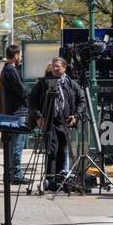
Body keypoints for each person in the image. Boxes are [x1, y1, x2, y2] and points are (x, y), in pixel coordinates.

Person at [27, 57, 86, 192]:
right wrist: (38, 116)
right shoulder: (43, 83)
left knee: (62, 151)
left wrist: (76, 116)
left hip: (65, 122)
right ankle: (50, 180)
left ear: (64, 68)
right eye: (53, 66)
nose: (54, 68)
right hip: (49, 121)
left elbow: (82, 99)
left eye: (57, 66)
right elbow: (31, 100)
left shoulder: (71, 84)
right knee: (51, 150)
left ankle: (61, 179)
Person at [0, 45, 29, 184]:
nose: (20, 57)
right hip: (17, 112)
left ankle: (10, 172)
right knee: (17, 145)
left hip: (9, 111)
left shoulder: (5, 69)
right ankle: (16, 174)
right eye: (20, 55)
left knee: (11, 145)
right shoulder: (11, 70)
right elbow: (22, 91)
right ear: (16, 55)